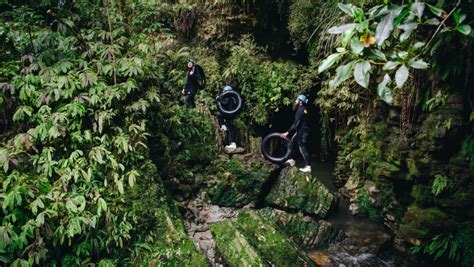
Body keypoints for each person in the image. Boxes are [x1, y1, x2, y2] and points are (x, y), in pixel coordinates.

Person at [281, 95, 311, 173]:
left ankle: (308, 166)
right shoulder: (303, 109)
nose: (295, 101)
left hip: (302, 132)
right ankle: (291, 160)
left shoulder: (301, 110)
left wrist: (287, 132)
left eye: (297, 100)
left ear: (300, 102)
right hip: (301, 131)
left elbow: (295, 124)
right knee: (292, 143)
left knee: (302, 148)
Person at [216, 85, 238, 151]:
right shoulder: (231, 98)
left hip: (229, 115)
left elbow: (224, 103)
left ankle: (233, 143)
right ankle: (224, 126)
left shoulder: (228, 98)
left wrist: (219, 99)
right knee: (230, 127)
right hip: (230, 115)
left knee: (230, 128)